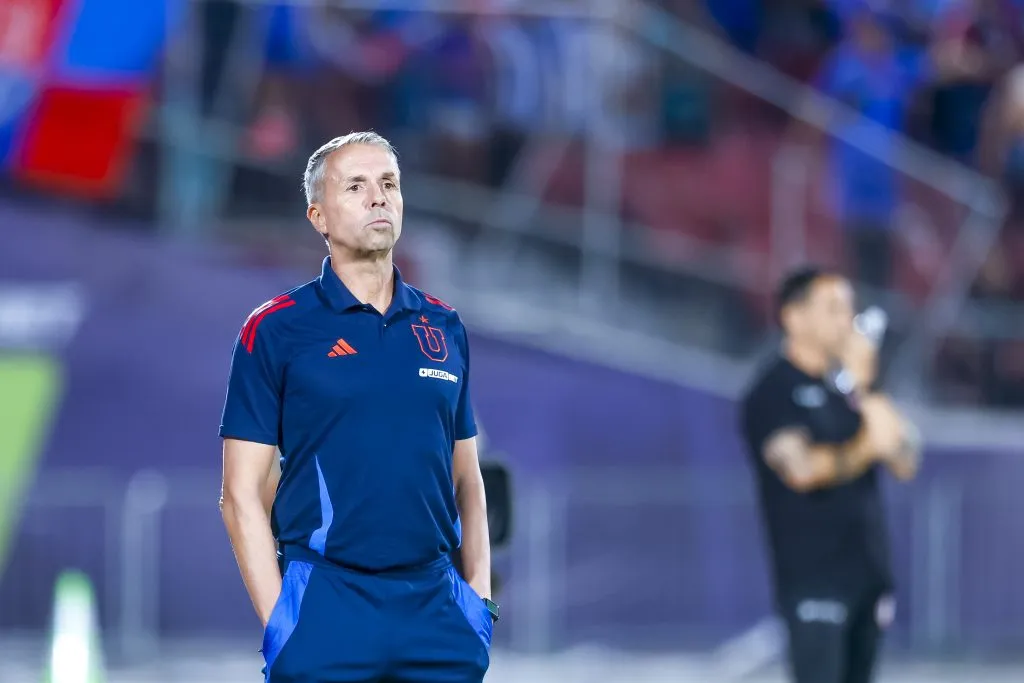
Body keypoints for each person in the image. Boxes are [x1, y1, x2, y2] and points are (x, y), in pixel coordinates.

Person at [218, 131, 497, 683]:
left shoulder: (443, 325)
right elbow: (240, 493)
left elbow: (467, 477)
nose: (379, 197)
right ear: (318, 217)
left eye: (389, 183)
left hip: (437, 613)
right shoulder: (274, 329)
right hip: (326, 605)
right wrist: (282, 624)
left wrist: (477, 605)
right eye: (357, 185)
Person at [739, 266, 921, 683]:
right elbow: (800, 470)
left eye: (849, 309)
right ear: (794, 316)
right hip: (815, 580)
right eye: (834, 308)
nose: (846, 320)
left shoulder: (849, 390)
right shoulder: (774, 390)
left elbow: (904, 457)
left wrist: (865, 385)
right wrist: (862, 449)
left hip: (868, 578)